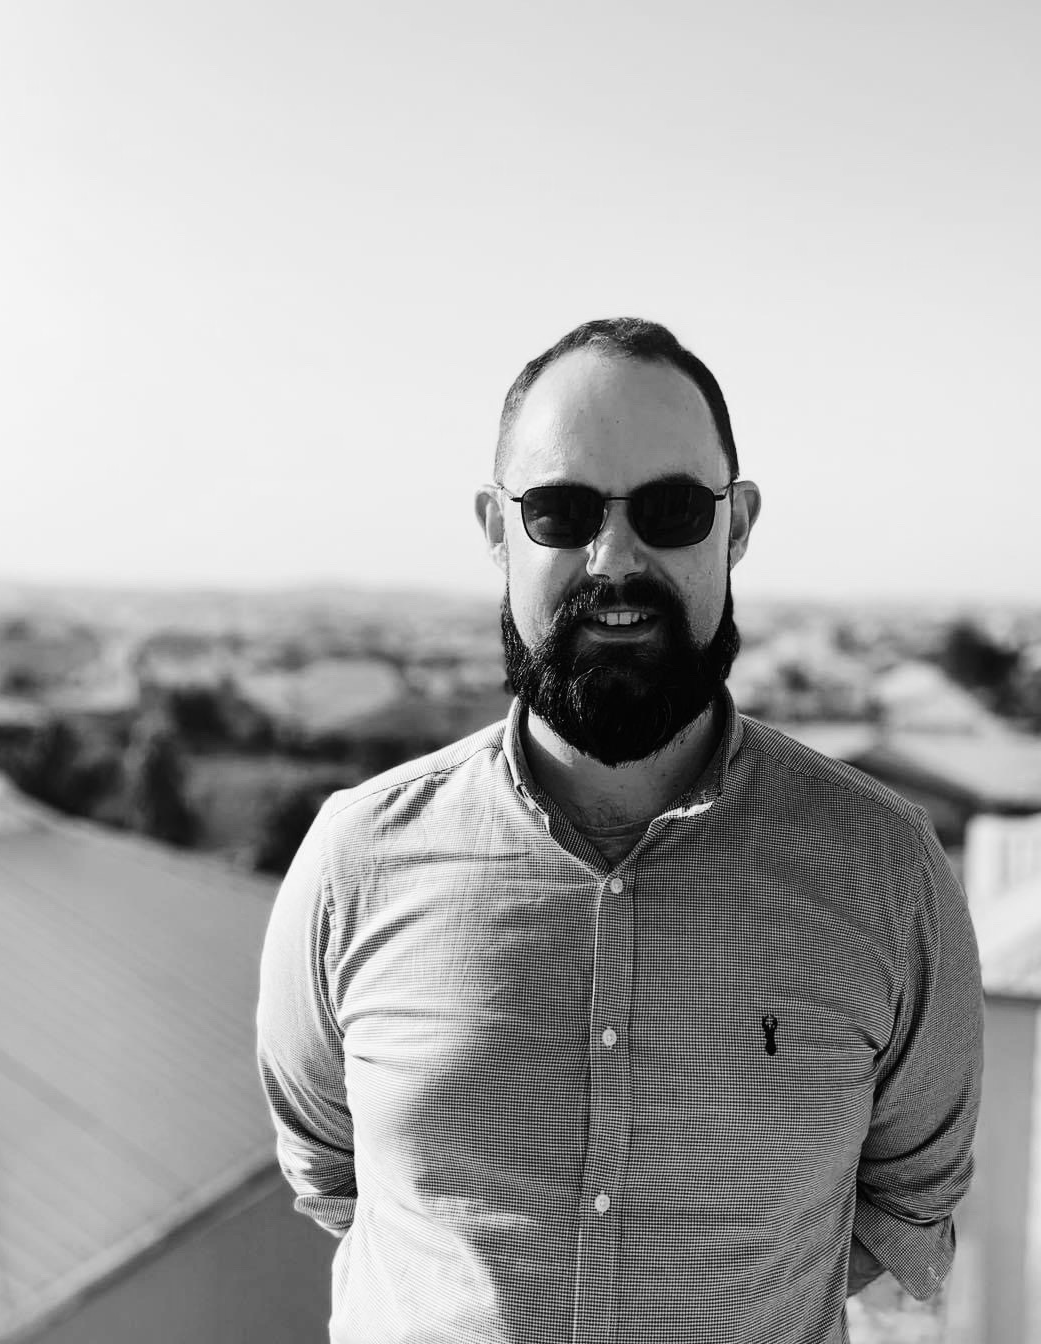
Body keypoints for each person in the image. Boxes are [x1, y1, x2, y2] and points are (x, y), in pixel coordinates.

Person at [256, 317, 983, 1344]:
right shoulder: (356, 859)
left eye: (671, 509)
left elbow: (906, 1204)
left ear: (737, 525)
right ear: (496, 528)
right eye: (560, 511)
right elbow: (336, 1174)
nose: (615, 559)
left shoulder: (885, 871)